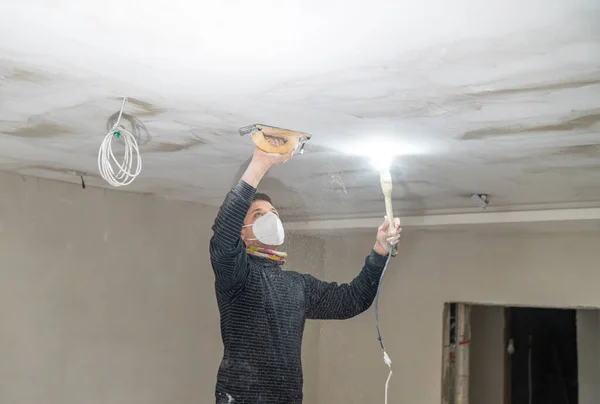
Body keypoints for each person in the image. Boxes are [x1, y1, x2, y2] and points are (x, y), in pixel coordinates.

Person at [210, 140, 401, 404]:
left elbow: (352, 300)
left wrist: (380, 251)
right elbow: (222, 236)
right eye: (258, 215)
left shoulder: (297, 286)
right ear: (241, 234)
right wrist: (260, 163)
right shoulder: (237, 277)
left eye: (273, 213)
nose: (271, 218)